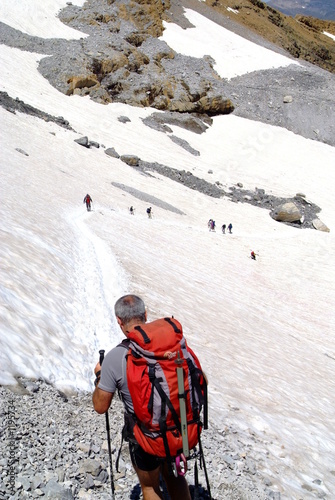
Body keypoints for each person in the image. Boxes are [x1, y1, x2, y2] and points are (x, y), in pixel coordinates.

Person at [92, 295, 192, 500]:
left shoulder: (115, 357)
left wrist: (100, 376)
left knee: (150, 487)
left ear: (119, 321)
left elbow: (100, 406)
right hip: (177, 428)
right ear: (145, 315)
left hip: (145, 436)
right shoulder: (173, 346)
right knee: (175, 478)